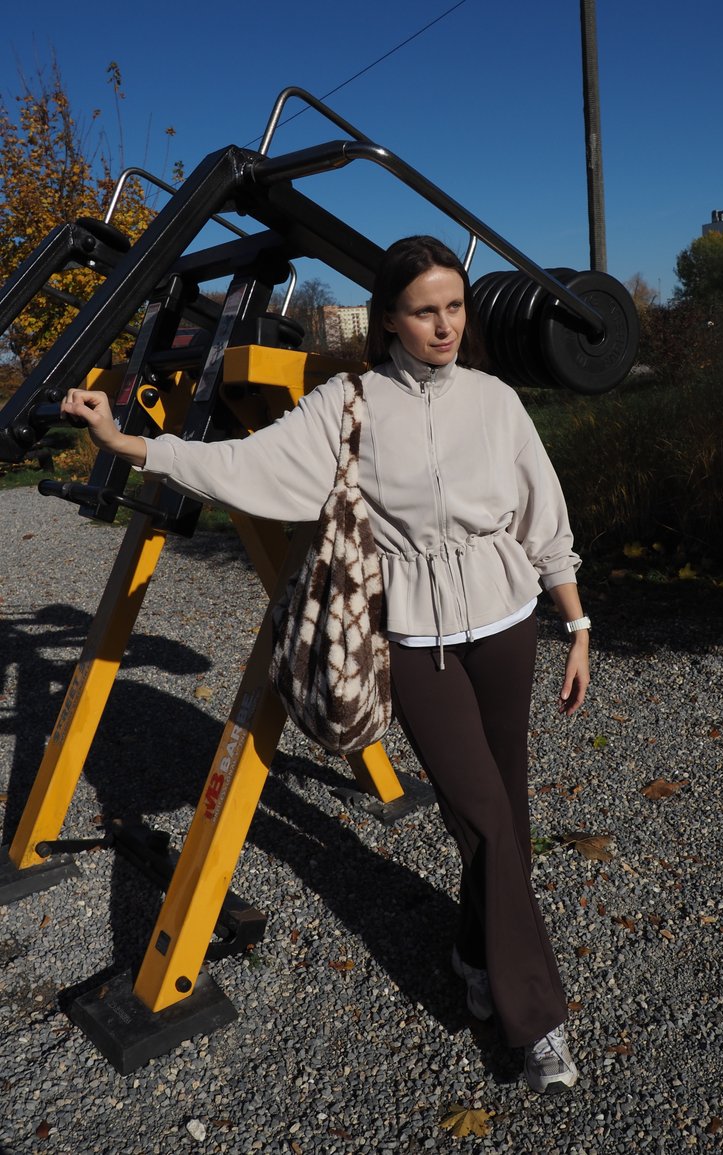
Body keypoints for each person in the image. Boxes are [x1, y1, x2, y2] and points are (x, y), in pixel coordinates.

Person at [61, 235, 590, 1094]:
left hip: (506, 625)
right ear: (388, 320)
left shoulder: (496, 402)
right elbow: (243, 464)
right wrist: (131, 444)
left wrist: (578, 621)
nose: (445, 324)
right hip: (417, 639)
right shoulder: (347, 404)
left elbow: (544, 513)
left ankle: (472, 951)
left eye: (454, 307)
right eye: (425, 310)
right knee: (485, 818)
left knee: (508, 810)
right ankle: (538, 1023)